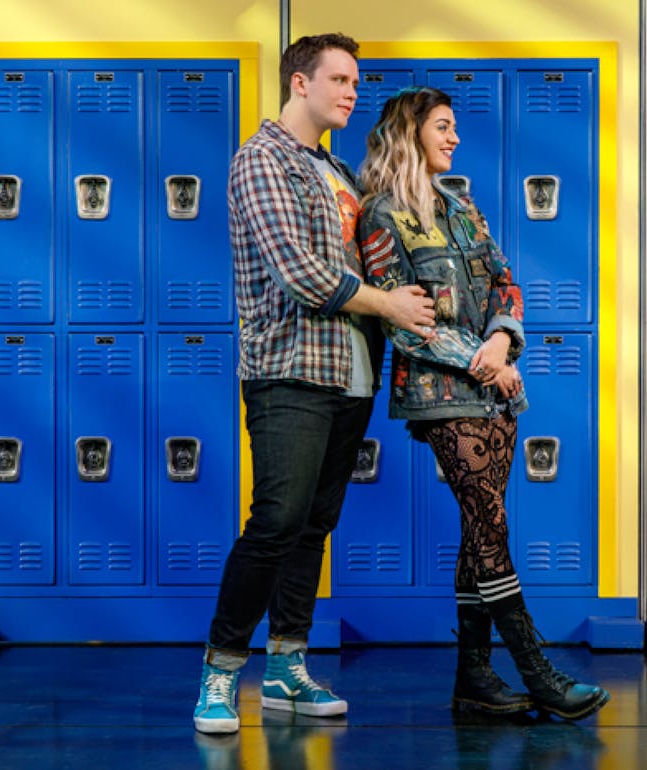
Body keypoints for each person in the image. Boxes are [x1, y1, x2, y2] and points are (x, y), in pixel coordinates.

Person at [193, 33, 436, 734]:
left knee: (312, 528)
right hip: (289, 371)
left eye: (356, 82)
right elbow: (300, 274)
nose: (352, 92)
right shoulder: (261, 159)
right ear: (299, 83)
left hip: (351, 375)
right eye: (339, 79)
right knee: (275, 521)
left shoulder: (338, 172)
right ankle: (219, 674)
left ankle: (286, 669)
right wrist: (389, 305)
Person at [357, 85, 610, 721]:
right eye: (442, 126)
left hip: (495, 389)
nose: (455, 137)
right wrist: (485, 360)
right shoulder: (382, 215)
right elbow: (402, 320)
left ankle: (472, 679)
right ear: (411, 133)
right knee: (489, 523)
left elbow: (503, 280)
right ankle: (538, 672)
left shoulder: (461, 206)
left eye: (453, 127)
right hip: (443, 393)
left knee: (481, 526)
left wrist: (502, 340)